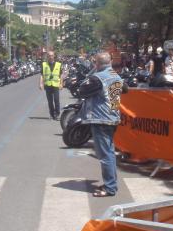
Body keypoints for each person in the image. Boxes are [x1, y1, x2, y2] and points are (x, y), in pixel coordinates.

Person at [76, 52, 128, 197]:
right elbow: (126, 89)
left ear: (97, 64)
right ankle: (110, 183)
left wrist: (93, 71)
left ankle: (110, 187)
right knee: (109, 153)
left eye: (96, 63)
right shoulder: (116, 76)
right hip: (113, 117)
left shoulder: (97, 78)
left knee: (105, 155)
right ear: (110, 62)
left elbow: (81, 90)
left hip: (101, 119)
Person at [39, 51, 65, 120]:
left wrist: (61, 84)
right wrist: (41, 84)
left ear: (54, 56)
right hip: (47, 85)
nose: (50, 57)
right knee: (50, 101)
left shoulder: (58, 64)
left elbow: (61, 75)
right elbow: (42, 75)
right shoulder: (44, 64)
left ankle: (57, 114)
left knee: (56, 100)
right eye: (49, 56)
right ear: (47, 57)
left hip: (56, 85)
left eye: (52, 55)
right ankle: (52, 114)